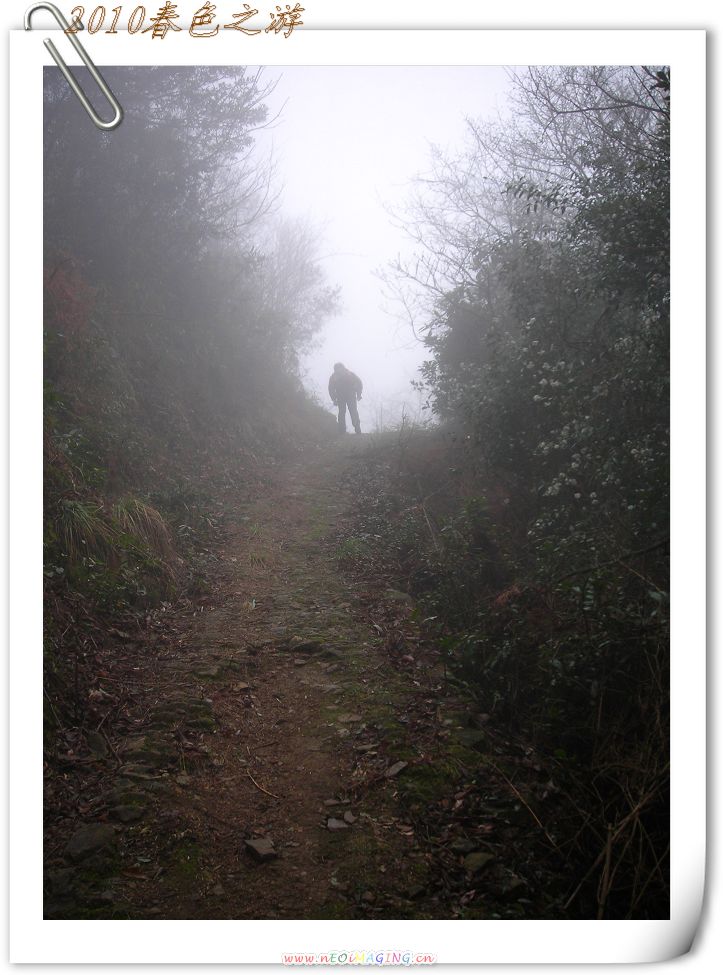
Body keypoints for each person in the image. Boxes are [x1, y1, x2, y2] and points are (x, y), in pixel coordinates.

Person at [328, 362, 363, 434]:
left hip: (347, 396)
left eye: (339, 368)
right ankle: (350, 429)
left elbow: (359, 383)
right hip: (345, 396)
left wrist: (359, 394)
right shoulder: (347, 374)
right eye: (337, 369)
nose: (338, 370)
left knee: (348, 412)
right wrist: (334, 399)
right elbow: (331, 388)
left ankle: (348, 430)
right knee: (348, 412)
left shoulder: (340, 375)